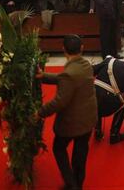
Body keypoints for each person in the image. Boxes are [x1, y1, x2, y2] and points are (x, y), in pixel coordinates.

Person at [36, 35, 97, 190]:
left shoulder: (69, 72)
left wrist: (39, 112)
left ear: (63, 49)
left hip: (72, 123)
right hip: (88, 119)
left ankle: (71, 185)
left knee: (58, 148)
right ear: (82, 48)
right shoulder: (86, 65)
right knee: (80, 154)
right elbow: (66, 79)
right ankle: (78, 182)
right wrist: (45, 77)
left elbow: (60, 102)